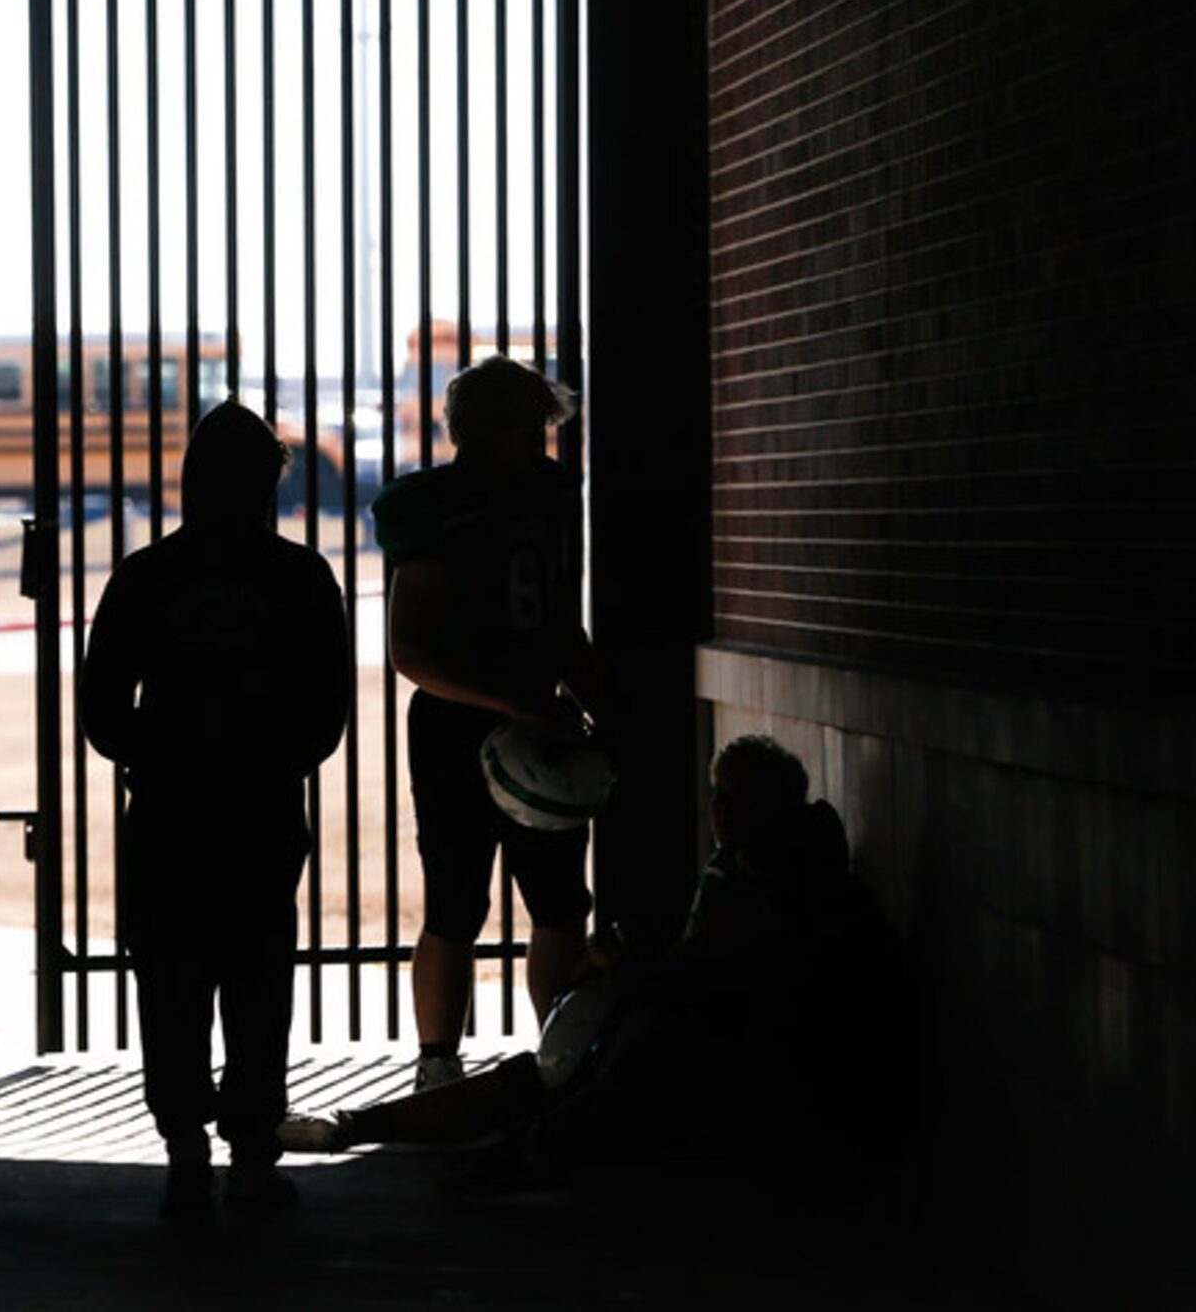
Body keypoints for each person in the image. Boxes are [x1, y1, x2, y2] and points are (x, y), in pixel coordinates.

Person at [279, 733, 904, 1196]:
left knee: (565, 1073)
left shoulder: (777, 880)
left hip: (749, 1064)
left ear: (776, 804)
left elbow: (727, 981)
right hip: (730, 1040)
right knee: (548, 1071)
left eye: (736, 798)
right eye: (717, 795)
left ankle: (434, 1139)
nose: (721, 811)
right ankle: (371, 1128)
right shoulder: (767, 864)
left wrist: (624, 966)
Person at [82, 401, 352, 1221]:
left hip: (166, 811)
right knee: (258, 976)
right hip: (262, 809)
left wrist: (160, 755)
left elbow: (101, 711)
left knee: (169, 977)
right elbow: (327, 712)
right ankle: (252, 1155)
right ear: (268, 482)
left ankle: (184, 1151)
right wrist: (265, 760)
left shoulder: (144, 575)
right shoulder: (303, 576)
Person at [369, 355, 601, 1093]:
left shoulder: (541, 499)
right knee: (458, 899)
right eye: (532, 427)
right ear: (498, 429)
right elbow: (410, 649)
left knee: (557, 901)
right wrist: (513, 699)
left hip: (523, 707)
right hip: (466, 716)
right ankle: (443, 1059)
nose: (542, 442)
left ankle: (555, 1054)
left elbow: (563, 622)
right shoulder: (455, 509)